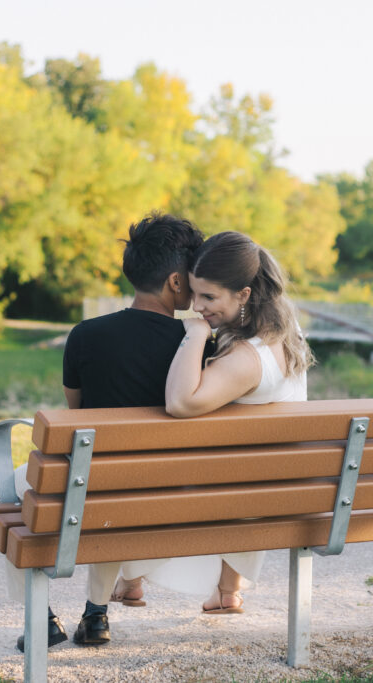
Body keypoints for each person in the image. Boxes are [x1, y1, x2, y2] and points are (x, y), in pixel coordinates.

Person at [2, 211, 204, 650]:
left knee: (9, 493)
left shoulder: (85, 336)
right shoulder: (196, 344)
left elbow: (76, 416)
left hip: (92, 487)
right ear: (175, 282)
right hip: (165, 496)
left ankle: (42, 619)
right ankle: (95, 615)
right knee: (113, 488)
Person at [118, 230, 313, 613]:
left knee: (143, 470)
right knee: (237, 465)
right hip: (277, 481)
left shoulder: (248, 356)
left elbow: (180, 401)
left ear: (243, 294)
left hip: (246, 492)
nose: (197, 305)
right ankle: (226, 591)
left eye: (209, 297)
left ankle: (128, 577)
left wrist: (194, 333)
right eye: (195, 293)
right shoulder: (282, 332)